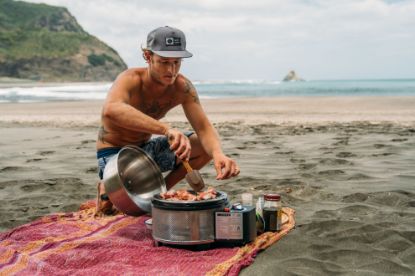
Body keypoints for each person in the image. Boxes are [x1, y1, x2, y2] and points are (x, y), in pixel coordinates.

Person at [95, 26, 240, 214]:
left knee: (203, 146)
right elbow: (111, 110)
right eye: (164, 62)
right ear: (148, 56)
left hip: (146, 152)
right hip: (114, 155)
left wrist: (218, 154)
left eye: (176, 62)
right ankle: (106, 188)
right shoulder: (130, 79)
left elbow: (203, 127)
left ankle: (161, 190)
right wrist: (166, 129)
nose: (171, 70)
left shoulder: (182, 87)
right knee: (119, 209)